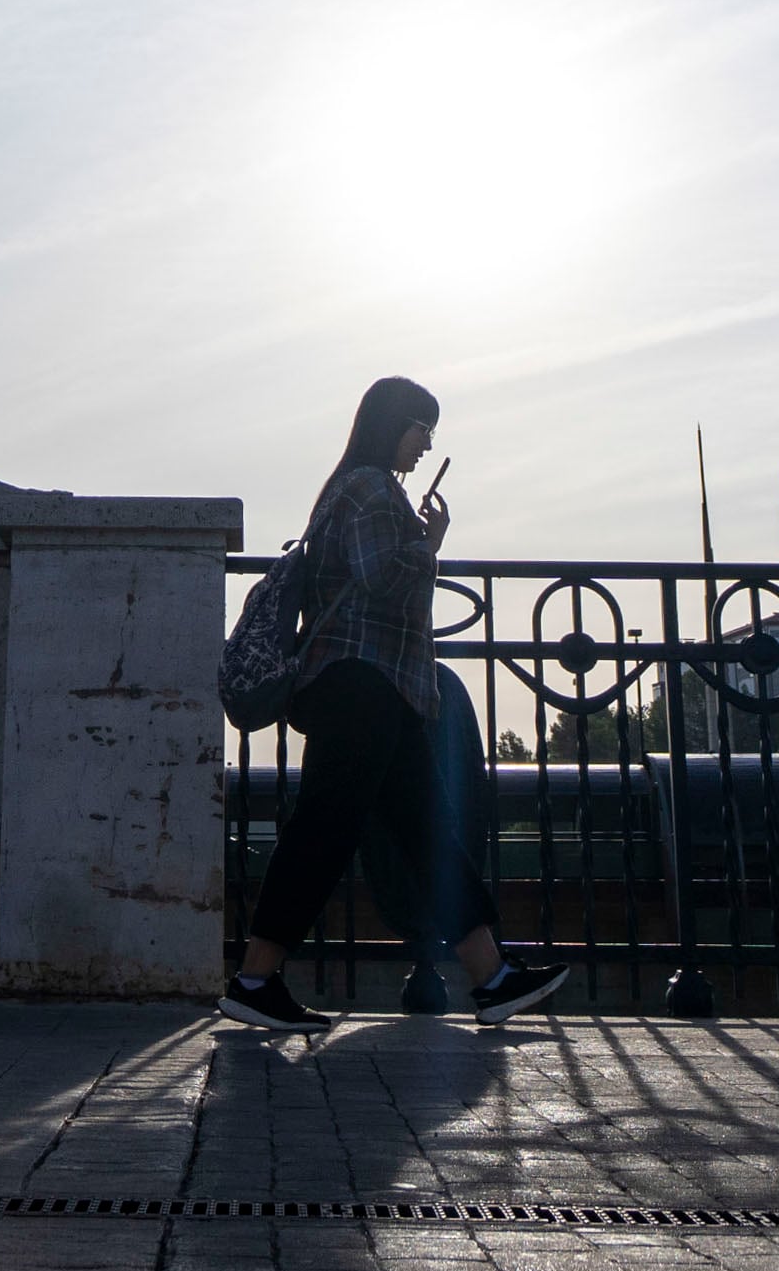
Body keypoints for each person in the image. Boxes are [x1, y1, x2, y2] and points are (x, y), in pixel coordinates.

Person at [222, 376, 570, 1034]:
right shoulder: (374, 487)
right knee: (327, 831)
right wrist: (428, 546)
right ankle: (254, 978)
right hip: (363, 683)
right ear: (390, 424)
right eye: (420, 427)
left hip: (374, 688)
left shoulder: (349, 487)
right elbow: (382, 578)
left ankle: (491, 977)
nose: (427, 443)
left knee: (426, 831)